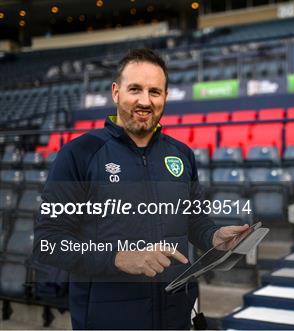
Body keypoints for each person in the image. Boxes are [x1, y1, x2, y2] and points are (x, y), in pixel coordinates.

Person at [34, 48, 249, 329]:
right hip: (108, 319)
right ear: (116, 92)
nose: (144, 101)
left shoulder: (181, 154)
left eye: (155, 91)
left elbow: (194, 220)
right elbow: (49, 241)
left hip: (176, 314)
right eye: (135, 89)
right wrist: (117, 258)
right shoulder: (79, 153)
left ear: (165, 97)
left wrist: (214, 237)